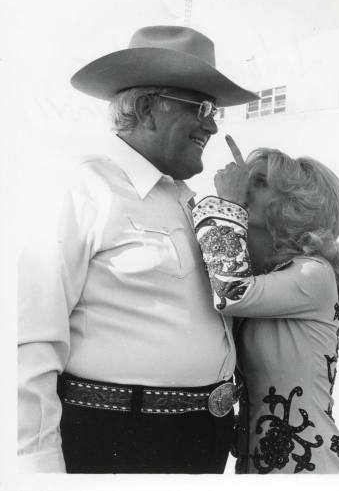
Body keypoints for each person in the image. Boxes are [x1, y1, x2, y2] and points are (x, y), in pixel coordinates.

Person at [17, 26, 258, 474]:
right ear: (147, 108)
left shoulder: (188, 199)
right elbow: (28, 341)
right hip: (113, 440)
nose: (212, 123)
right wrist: (36, 469)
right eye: (202, 107)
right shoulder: (82, 186)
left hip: (197, 442)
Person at [192, 135, 339, 474]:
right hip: (260, 467)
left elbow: (230, 292)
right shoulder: (274, 275)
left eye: (260, 182)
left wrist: (227, 202)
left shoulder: (314, 273)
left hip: (310, 468)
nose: (244, 187)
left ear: (295, 206)